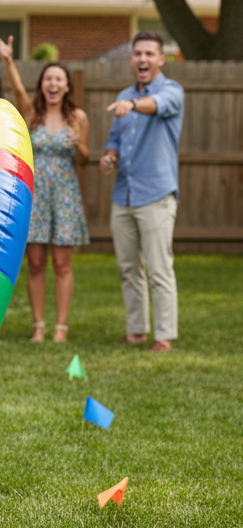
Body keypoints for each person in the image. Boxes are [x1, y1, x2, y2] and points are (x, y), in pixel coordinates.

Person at [0, 36, 90, 343]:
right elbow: (18, 90)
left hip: (64, 196)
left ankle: (60, 328)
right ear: (43, 85)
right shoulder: (31, 113)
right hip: (35, 195)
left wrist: (78, 143)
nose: (52, 84)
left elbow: (85, 159)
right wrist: (8, 61)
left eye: (58, 79)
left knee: (62, 264)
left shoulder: (78, 118)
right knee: (35, 264)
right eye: (48, 79)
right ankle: (39, 326)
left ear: (66, 87)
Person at [100, 32, 184, 353]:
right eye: (137, 54)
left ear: (161, 59)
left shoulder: (172, 91)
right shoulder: (123, 94)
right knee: (128, 269)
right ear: (132, 59)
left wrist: (132, 105)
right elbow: (115, 140)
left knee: (159, 268)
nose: (143, 59)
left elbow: (157, 105)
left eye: (149, 53)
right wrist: (109, 157)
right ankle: (136, 331)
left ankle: (164, 336)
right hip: (124, 195)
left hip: (156, 194)